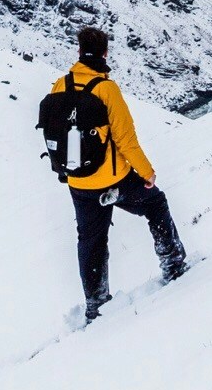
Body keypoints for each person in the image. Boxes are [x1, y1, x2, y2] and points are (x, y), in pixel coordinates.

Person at [57, 26, 186, 320]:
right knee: (155, 202)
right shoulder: (106, 89)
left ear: (79, 52)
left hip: (78, 181)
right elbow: (125, 140)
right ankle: (173, 264)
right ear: (104, 53)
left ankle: (96, 303)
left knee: (90, 239)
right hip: (113, 178)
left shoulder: (60, 86)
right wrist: (147, 173)